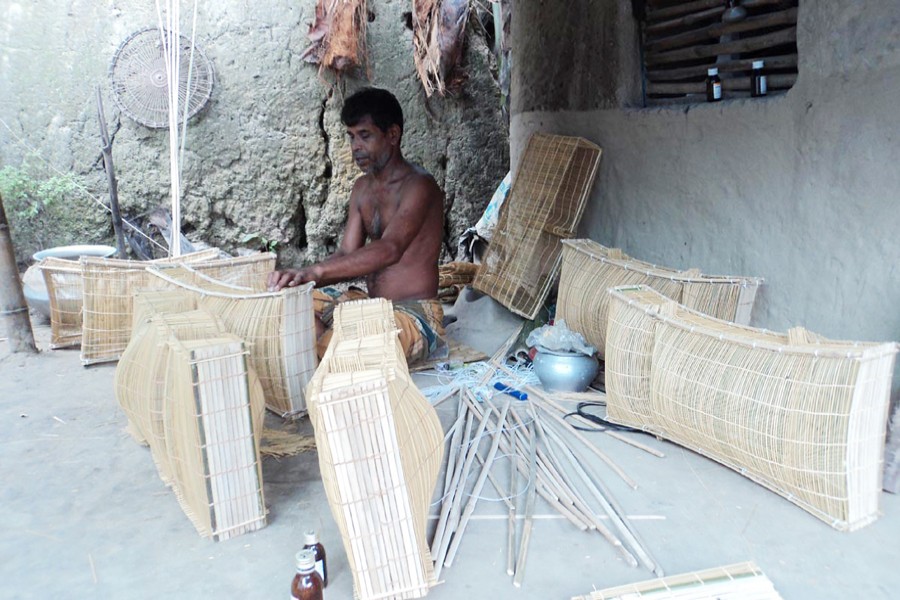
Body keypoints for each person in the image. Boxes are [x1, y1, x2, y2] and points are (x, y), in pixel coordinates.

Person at [268, 87, 446, 363]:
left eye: (365, 136)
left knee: (341, 347)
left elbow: (390, 249)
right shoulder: (361, 189)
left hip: (413, 313)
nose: (355, 147)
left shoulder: (419, 186)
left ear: (392, 136)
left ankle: (325, 352)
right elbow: (346, 253)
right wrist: (301, 276)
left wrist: (315, 270)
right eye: (351, 137)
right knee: (285, 308)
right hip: (370, 304)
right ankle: (324, 350)